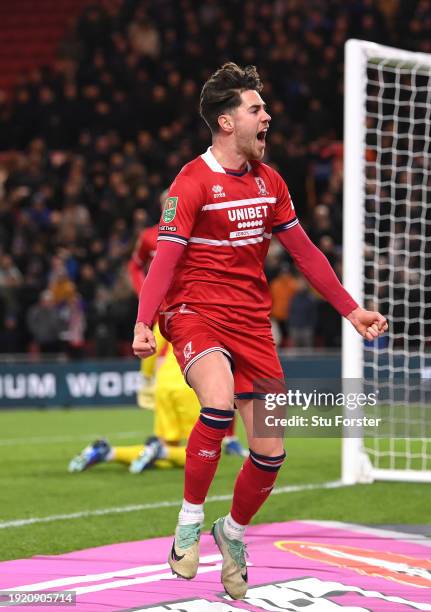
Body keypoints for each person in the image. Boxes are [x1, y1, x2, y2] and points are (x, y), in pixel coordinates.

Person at [132, 62, 387, 600]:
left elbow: (305, 253)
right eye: (256, 109)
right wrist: (143, 322)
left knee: (271, 452)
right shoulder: (192, 181)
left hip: (252, 322)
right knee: (218, 404)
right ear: (227, 122)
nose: (267, 116)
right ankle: (187, 527)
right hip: (195, 312)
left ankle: (232, 533)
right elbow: (164, 258)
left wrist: (350, 309)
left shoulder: (272, 182)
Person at [128, 207, 246, 456]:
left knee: (224, 369)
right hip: (161, 313)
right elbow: (135, 266)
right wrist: (145, 295)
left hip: (196, 309)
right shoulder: (150, 237)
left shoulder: (200, 233)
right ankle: (165, 437)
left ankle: (229, 437)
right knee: (157, 370)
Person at [68, 325, 199, 474]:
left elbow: (151, 343)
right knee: (200, 453)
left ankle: (108, 452)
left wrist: (147, 377)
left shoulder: (171, 312)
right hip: (191, 382)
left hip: (163, 384)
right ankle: (159, 452)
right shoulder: (212, 311)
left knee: (168, 448)